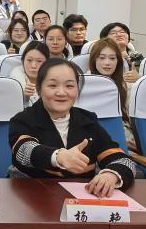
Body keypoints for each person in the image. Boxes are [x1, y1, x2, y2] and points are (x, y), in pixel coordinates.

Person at [8, 59, 137, 195]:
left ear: (77, 90)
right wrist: (58, 157)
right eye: (52, 85)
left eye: (69, 86)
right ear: (39, 89)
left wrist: (111, 175)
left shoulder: (88, 121)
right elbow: (24, 151)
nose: (61, 92)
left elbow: (122, 159)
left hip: (81, 198)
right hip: (33, 196)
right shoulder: (23, 119)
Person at [87, 38, 137, 149]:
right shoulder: (83, 85)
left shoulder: (127, 87)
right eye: (102, 58)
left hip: (124, 140)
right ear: (94, 60)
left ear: (118, 61)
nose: (107, 63)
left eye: (112, 58)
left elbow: (132, 123)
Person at [10, 41, 49, 106]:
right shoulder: (15, 78)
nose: (33, 66)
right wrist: (25, 98)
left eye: (39, 61)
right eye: (29, 60)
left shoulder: (53, 77)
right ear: (23, 60)